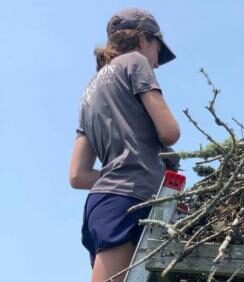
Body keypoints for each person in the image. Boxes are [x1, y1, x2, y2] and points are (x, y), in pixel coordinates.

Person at [69, 8, 180, 282]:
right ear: (143, 40)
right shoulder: (135, 62)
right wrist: (135, 169)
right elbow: (170, 132)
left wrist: (119, 167)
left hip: (103, 205)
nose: (155, 63)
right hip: (127, 202)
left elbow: (78, 175)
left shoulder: (90, 89)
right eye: (157, 51)